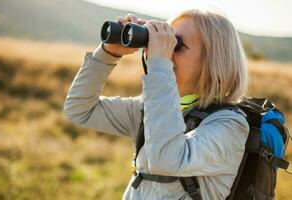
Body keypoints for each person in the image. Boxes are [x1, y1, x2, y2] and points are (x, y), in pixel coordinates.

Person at [63, 8, 249, 200]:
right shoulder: (150, 109)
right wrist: (108, 53)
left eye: (176, 45)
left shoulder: (229, 126)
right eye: (163, 42)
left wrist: (160, 63)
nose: (165, 52)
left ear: (213, 61)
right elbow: (80, 110)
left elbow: (166, 159)